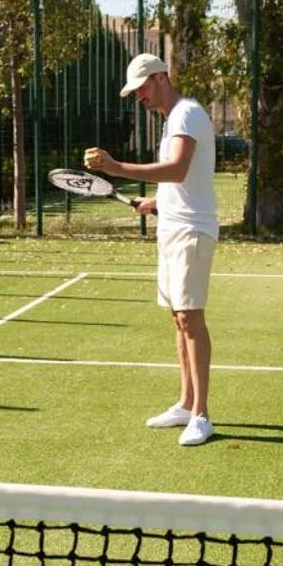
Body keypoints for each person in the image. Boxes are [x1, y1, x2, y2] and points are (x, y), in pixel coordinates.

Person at [85, 52, 218, 447]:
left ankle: (202, 415)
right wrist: (156, 202)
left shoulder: (186, 113)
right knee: (179, 319)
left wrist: (116, 167)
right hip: (172, 229)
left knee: (190, 318)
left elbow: (177, 168)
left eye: (141, 88)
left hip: (192, 231)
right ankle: (186, 404)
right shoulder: (171, 120)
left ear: (160, 77)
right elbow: (181, 182)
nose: (138, 96)